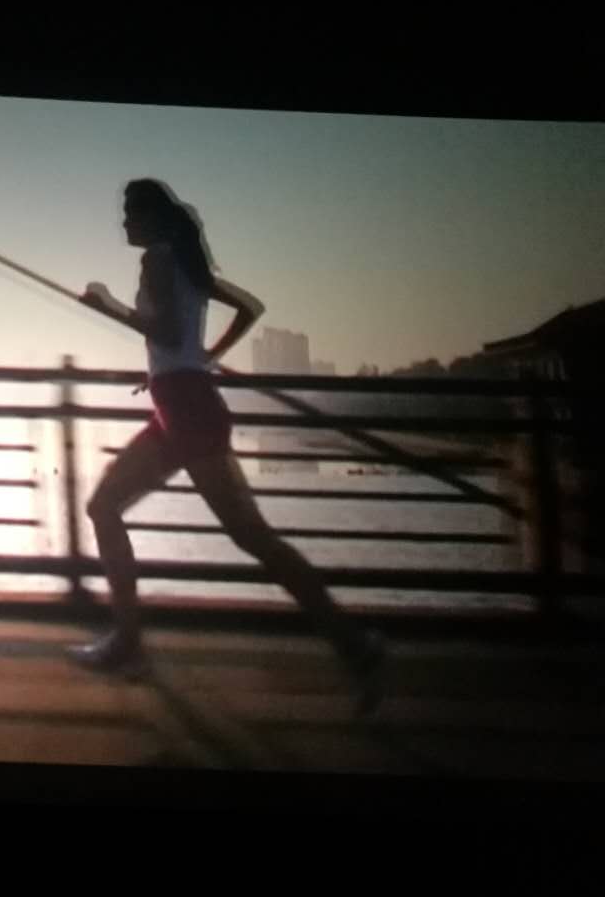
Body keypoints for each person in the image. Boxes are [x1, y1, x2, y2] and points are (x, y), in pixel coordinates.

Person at [72, 179, 385, 714]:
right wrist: (201, 360)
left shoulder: (156, 259)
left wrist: (107, 307)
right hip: (178, 405)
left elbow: (168, 334)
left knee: (253, 537)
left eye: (129, 213)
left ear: (151, 218)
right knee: (104, 506)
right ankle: (127, 642)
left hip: (188, 411)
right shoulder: (188, 265)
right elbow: (249, 309)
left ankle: (357, 647)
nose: (123, 222)